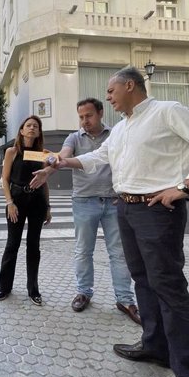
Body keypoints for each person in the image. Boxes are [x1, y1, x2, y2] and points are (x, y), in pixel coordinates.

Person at [31, 67, 189, 377]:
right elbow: (99, 157)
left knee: (169, 289)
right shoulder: (123, 128)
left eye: (111, 91)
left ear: (130, 85)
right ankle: (155, 346)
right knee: (142, 280)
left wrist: (186, 186)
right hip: (125, 208)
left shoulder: (168, 111)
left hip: (158, 210)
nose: (108, 97)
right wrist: (59, 163)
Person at [60, 98, 140, 325]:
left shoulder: (115, 134)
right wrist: (55, 161)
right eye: (81, 117)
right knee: (83, 250)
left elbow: (126, 163)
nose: (85, 121)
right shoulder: (74, 137)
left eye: (89, 116)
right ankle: (84, 292)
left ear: (100, 113)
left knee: (118, 252)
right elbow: (65, 155)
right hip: (84, 201)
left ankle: (125, 299)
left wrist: (124, 192)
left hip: (114, 202)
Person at [0, 115, 51, 306]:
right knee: (12, 244)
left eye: (36, 126)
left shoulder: (42, 153)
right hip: (17, 201)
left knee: (33, 246)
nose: (32, 128)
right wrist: (9, 202)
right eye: (28, 125)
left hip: (37, 201)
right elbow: (5, 179)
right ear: (21, 130)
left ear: (39, 132)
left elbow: (44, 182)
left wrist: (48, 206)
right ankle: (4, 286)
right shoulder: (12, 151)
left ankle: (33, 289)